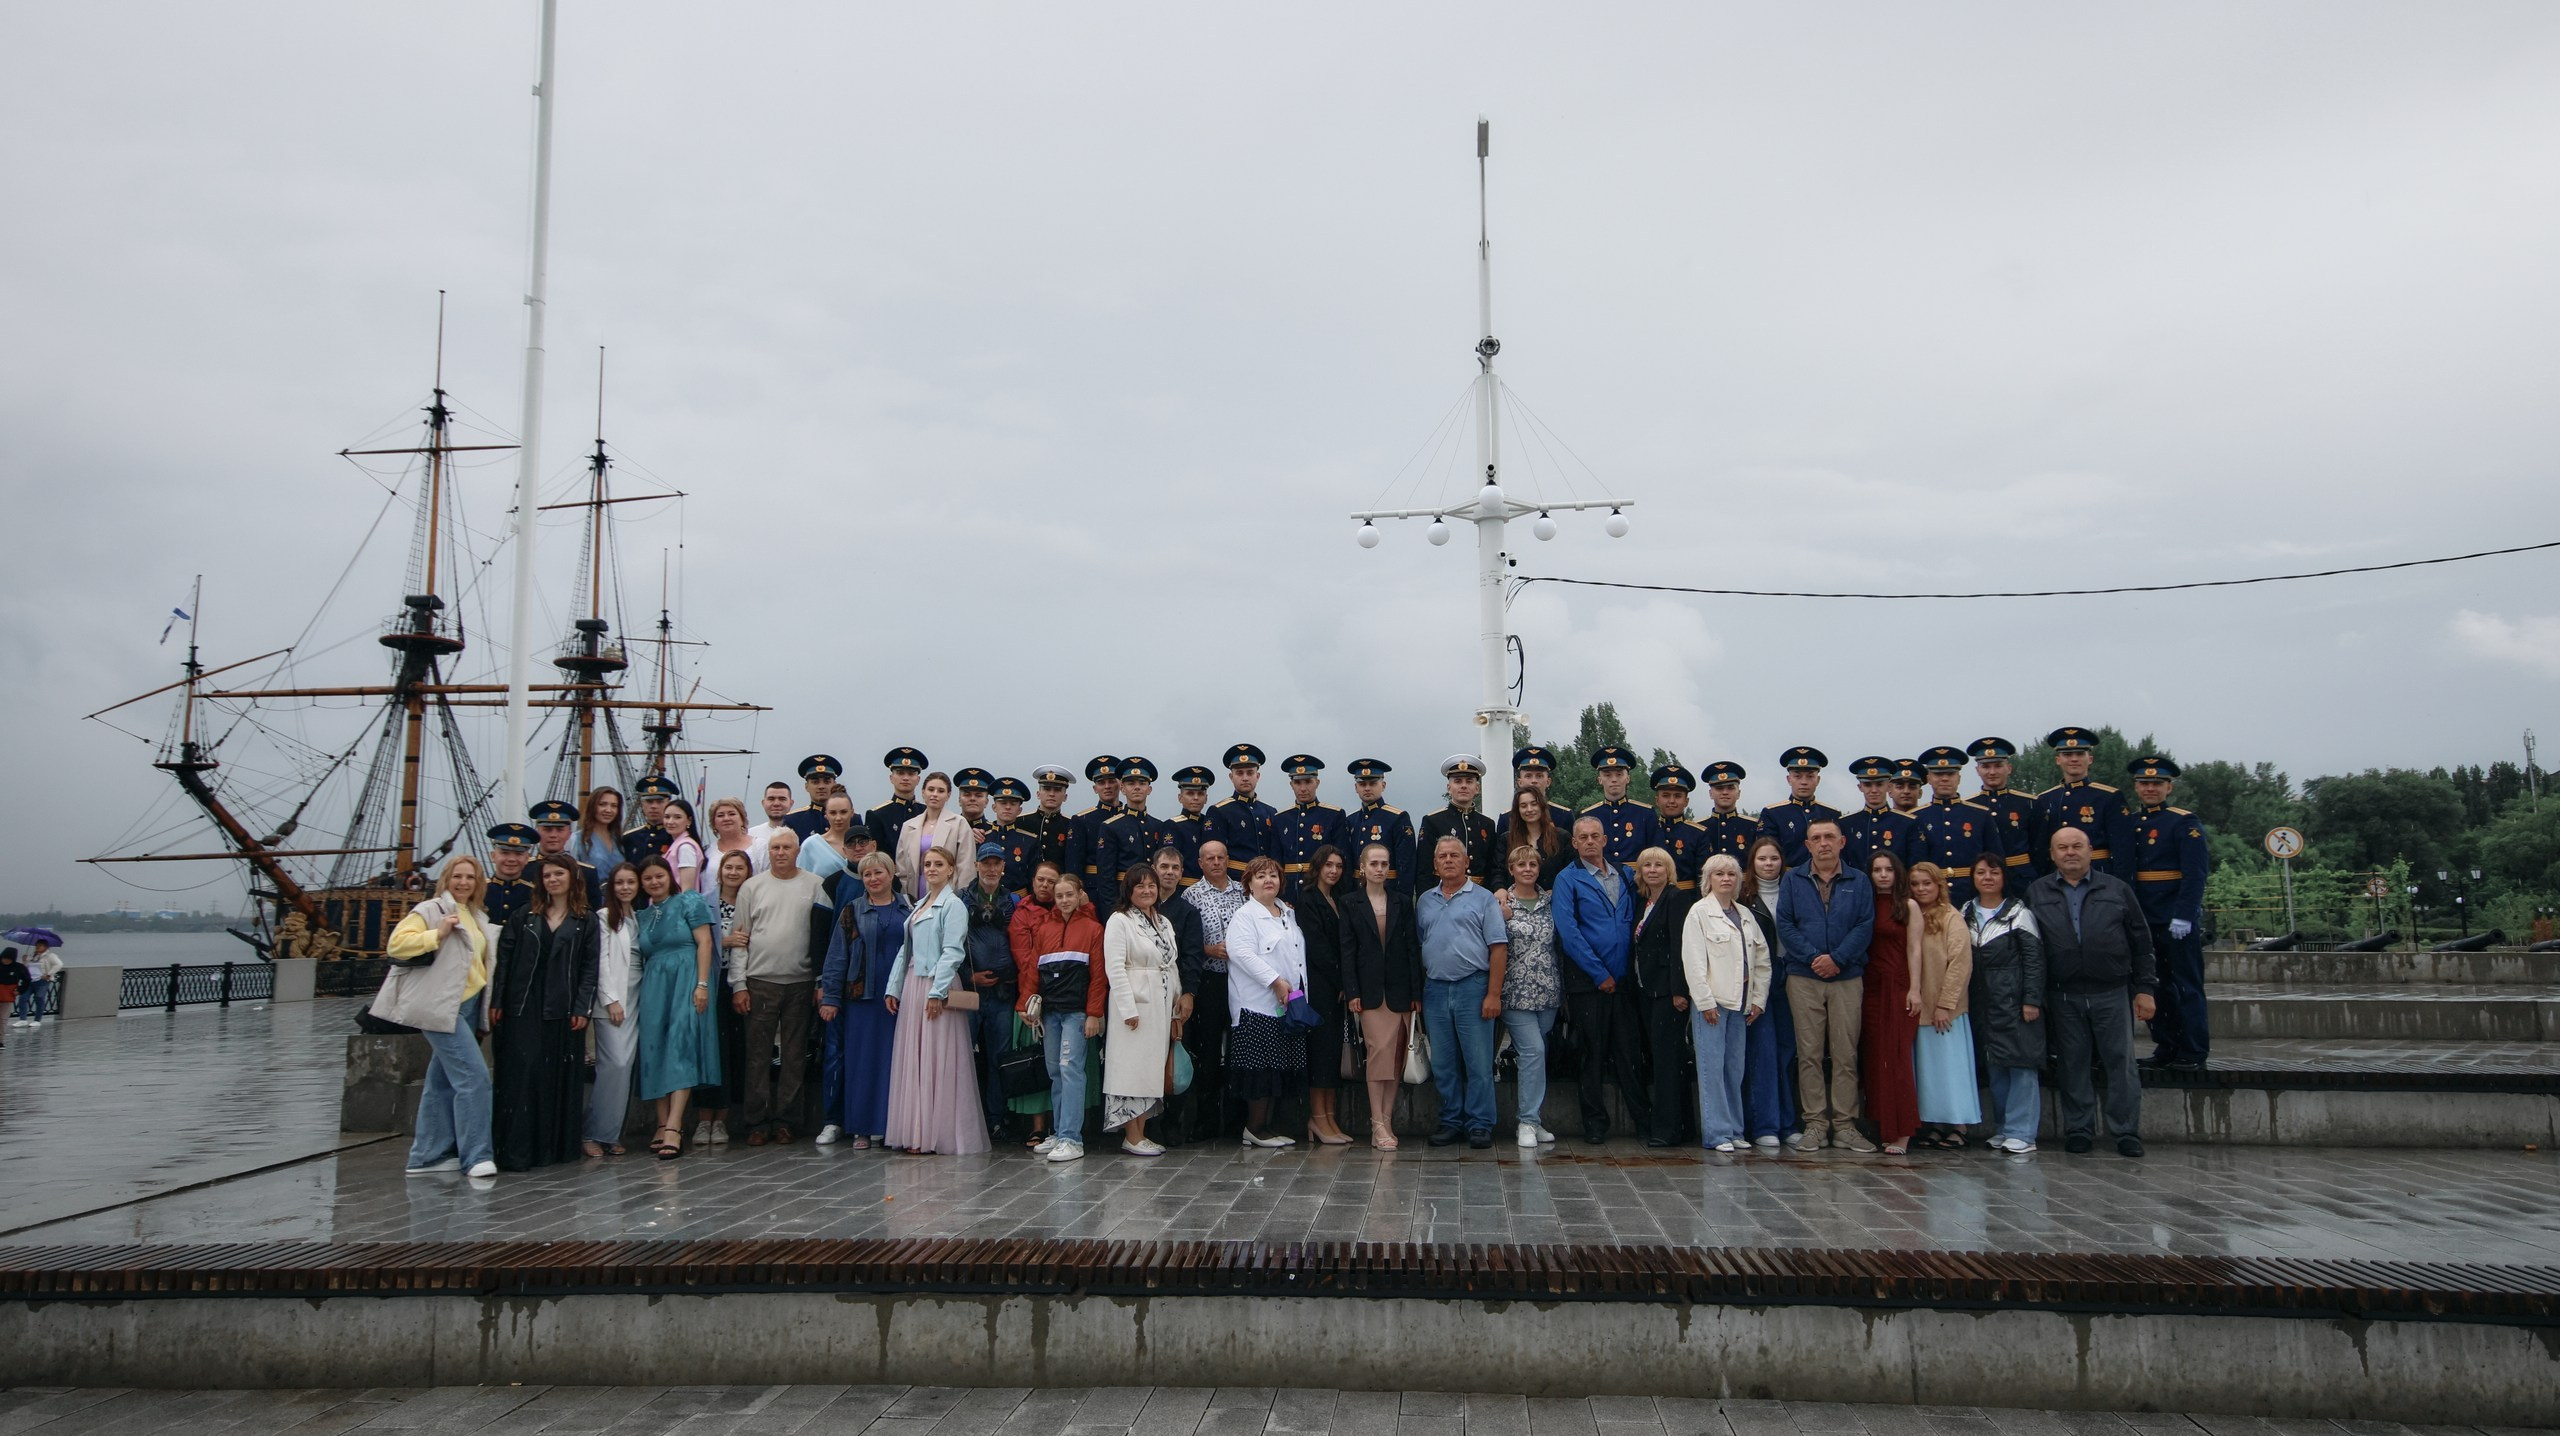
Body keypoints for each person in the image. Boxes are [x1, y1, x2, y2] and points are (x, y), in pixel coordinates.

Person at [2026, 828, 2158, 1157]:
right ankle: (2079, 1128)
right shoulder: (2036, 892)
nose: (2070, 852)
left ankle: (2126, 1131)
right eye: (2062, 847)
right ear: (2052, 854)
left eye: (2077, 846)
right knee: (2072, 1064)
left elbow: (2142, 943)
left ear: (2090, 851)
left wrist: (2144, 989)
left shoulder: (2117, 889)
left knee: (2121, 1064)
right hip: (2062, 994)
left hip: (2111, 992)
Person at [374, 855, 498, 1178]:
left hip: (469, 1005)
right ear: (446, 879)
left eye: (470, 877)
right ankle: (476, 1155)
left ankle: (427, 1156)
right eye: (457, 876)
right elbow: (396, 945)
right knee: (474, 1078)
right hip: (443, 1006)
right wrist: (437, 934)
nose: (463, 883)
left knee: (441, 1082)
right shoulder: (431, 911)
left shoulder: (476, 915)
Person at [486, 853, 599, 1171]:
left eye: (559, 874)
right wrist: (497, 1002)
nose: (552, 880)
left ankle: (553, 1147)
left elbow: (590, 968)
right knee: (524, 1073)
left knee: (556, 1075)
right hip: (524, 1003)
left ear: (572, 877)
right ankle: (518, 1149)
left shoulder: (585, 920)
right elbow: (505, 961)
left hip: (563, 1007)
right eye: (547, 875)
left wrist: (582, 1007)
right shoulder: (525, 915)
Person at [881, 845, 989, 1154]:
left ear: (951, 869)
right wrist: (894, 987)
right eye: (927, 863)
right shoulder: (919, 905)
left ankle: (935, 1133)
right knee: (914, 1059)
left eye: (938, 864)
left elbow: (953, 951)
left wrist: (937, 992)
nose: (931, 869)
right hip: (914, 982)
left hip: (934, 984)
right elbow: (907, 949)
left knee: (936, 1059)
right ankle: (916, 1131)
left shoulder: (952, 905)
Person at [1776, 818, 1875, 1153]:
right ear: (1807, 845)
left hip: (1846, 977)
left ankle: (1846, 1125)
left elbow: (1864, 925)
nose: (1823, 844)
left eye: (1829, 837)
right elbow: (1785, 925)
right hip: (1804, 977)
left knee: (1846, 1054)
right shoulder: (1793, 879)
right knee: (1809, 1054)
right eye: (1816, 838)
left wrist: (1838, 959)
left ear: (1842, 841)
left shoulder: (1858, 881)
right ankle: (1816, 1124)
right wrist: (1816, 957)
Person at [725, 827, 825, 1145]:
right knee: (757, 1055)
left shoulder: (815, 885)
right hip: (760, 981)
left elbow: (821, 937)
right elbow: (739, 940)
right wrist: (738, 984)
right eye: (775, 847)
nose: (780, 852)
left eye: (786, 847)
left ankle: (786, 1121)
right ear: (768, 852)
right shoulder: (751, 888)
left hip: (800, 981)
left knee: (795, 1055)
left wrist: (819, 981)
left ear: (797, 851)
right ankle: (756, 1121)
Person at [1551, 816, 1648, 1144]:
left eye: (1595, 836)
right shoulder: (1568, 879)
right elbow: (1569, 931)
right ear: (1574, 843)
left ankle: (1643, 1121)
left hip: (1623, 981)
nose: (1590, 841)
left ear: (1605, 840)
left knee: (1629, 1053)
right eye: (1583, 837)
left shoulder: (1626, 874)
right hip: (1588, 982)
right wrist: (1598, 973)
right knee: (1591, 1055)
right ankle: (1594, 1123)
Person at [1413, 835, 1509, 1148]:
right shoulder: (1425, 900)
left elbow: (1498, 948)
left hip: (1474, 986)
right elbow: (1421, 944)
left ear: (1467, 862)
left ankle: (1480, 1123)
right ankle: (1451, 1120)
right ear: (1435, 864)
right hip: (1437, 989)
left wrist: (1493, 994)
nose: (1449, 860)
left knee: (1478, 1062)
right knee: (1443, 1062)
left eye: (1455, 855)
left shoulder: (1483, 899)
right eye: (1442, 856)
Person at [1678, 852, 1771, 1152]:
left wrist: (1758, 999)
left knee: (1734, 1068)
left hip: (1740, 1004)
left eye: (1731, 874)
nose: (1726, 879)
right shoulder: (1699, 913)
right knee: (1711, 1069)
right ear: (1708, 880)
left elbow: (1761, 961)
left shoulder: (1745, 915)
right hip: (1713, 1004)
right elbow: (1693, 961)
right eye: (1719, 874)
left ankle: (1734, 1129)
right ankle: (1717, 1134)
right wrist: (1704, 1002)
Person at [2127, 755, 2213, 1072]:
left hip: (2174, 917)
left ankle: (2193, 1050)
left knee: (2186, 986)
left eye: (2156, 783)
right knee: (2154, 986)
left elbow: (2195, 875)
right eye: (2144, 783)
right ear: (2136, 787)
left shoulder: (2183, 822)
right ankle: (2166, 1046)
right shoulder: (2132, 824)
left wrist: (2185, 915)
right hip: (2143, 917)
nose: (2150, 788)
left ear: (2169, 787)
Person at [818, 851, 909, 1149]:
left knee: (893, 1063)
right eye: (867, 874)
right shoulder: (852, 910)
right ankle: (861, 1128)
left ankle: (889, 1125)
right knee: (861, 1063)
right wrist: (830, 997)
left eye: (878, 872)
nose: (872, 879)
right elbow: (836, 957)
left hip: (898, 998)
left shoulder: (908, 908)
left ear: (891, 874)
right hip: (862, 998)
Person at [633, 856, 719, 1158]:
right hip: (654, 984)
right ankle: (660, 1121)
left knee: (680, 1047)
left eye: (659, 876)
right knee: (654, 1048)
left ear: (669, 877)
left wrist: (703, 984)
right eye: (647, 879)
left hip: (687, 977)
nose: (654, 882)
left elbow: (705, 943)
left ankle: (675, 1124)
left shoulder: (688, 902)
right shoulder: (642, 916)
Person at [1341, 841, 1424, 1149]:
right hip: (1370, 994)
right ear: (1362, 868)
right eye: (1373, 863)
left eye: (1383, 864)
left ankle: (1388, 1119)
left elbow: (1412, 949)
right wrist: (1352, 991)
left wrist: (1417, 992)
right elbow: (1348, 951)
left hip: (1401, 992)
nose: (1379, 869)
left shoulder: (1402, 902)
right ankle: (1376, 1122)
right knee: (1379, 1056)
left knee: (1397, 1060)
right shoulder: (1351, 902)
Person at [1020, 871, 1107, 1160]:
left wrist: (1094, 1013)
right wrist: (1025, 1005)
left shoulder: (1093, 929)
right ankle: (1058, 1133)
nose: (1065, 900)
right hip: (1051, 1014)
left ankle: (1072, 1138)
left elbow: (1098, 977)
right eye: (1059, 896)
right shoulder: (1045, 929)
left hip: (1076, 1014)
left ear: (1080, 894)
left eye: (1070, 894)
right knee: (1056, 1072)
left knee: (1071, 1071)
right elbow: (1033, 969)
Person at [1963, 854, 2047, 1154]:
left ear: (2003, 877)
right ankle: (2003, 1128)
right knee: (1996, 1064)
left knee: (2021, 1064)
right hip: (1982, 1003)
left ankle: (2023, 1132)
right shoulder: (1965, 913)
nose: (1987, 878)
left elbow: (2035, 961)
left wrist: (2031, 999)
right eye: (1981, 872)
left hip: (2014, 1000)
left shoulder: (2019, 914)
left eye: (1994, 872)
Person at [1224, 856, 1309, 1147]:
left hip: (1287, 1005)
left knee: (1278, 1067)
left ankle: (1268, 1126)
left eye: (1273, 875)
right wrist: (1275, 981)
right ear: (1248, 883)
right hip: (1256, 1005)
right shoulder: (1245, 916)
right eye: (1260, 877)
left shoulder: (1286, 913)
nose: (1268, 881)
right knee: (1260, 1070)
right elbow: (1241, 954)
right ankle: (1254, 1127)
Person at [1102, 866, 1183, 1156]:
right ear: (1129, 890)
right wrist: (1127, 1009)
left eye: (1152, 885)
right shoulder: (1119, 920)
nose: (1147, 890)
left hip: (1160, 1003)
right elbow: (1114, 967)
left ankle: (1142, 1132)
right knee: (1130, 1068)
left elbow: (1171, 963)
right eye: (1140, 886)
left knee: (1150, 1067)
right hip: (1135, 1003)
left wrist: (1176, 1006)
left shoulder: (1163, 921)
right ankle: (1131, 1136)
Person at [1179, 839, 1251, 1141]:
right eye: (1210, 858)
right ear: (1200, 863)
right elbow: (1186, 941)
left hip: (1241, 982)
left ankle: (1237, 1123)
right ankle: (1206, 1123)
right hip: (1209, 981)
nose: (1217, 863)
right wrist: (1210, 949)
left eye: (1221, 857)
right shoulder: (1191, 895)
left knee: (1238, 1052)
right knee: (1209, 1053)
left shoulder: (1244, 893)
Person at [1907, 861, 1982, 1148]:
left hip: (1944, 1008)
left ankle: (1958, 1124)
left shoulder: (1951, 917)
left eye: (1927, 883)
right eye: (1915, 884)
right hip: (1919, 1006)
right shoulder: (1912, 915)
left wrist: (1945, 1004)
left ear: (1939, 885)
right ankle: (1936, 1124)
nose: (1921, 889)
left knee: (1951, 1069)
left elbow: (1960, 964)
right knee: (1930, 1071)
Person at [1627, 846, 1696, 1147]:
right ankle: (1678, 1125)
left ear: (1669, 871)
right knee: (1660, 1058)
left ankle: (1669, 1130)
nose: (1652, 870)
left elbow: (1682, 945)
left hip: (1669, 992)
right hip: (1647, 989)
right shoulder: (1644, 902)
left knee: (1669, 1061)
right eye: (1646, 865)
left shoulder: (1676, 898)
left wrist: (1680, 990)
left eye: (1659, 865)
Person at [1495, 844, 1561, 1147]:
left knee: (1536, 1054)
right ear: (1511, 870)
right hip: (1515, 991)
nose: (1527, 869)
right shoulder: (1501, 903)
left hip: (1547, 991)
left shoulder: (1550, 901)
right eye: (1521, 865)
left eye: (1532, 865)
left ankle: (1535, 1119)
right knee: (1533, 1051)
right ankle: (1527, 1122)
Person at [1736, 837, 1799, 1150]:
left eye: (1774, 858)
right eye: (1762, 859)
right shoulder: (1744, 896)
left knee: (1789, 1051)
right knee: (1762, 1052)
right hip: (1759, 978)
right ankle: (1764, 1124)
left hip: (1794, 974)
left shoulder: (1795, 889)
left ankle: (1789, 1123)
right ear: (1752, 863)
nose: (1769, 864)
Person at [956, 840, 1022, 1140]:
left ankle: (996, 1118)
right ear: (976, 865)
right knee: (961, 1057)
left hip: (1002, 993)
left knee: (1000, 1058)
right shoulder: (961, 900)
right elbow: (953, 946)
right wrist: (969, 977)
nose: (991, 868)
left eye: (997, 863)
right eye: (986, 863)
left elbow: (1021, 945)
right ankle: (962, 1118)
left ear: (1004, 867)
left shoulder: (1014, 902)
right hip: (970, 992)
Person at [1859, 851, 1922, 1155]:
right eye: (1876, 870)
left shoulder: (1908, 906)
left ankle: (1903, 1132)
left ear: (1898, 873)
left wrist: (1915, 989)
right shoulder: (1865, 905)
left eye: (1888, 870)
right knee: (1875, 1059)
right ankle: (1883, 1126)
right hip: (1869, 987)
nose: (1883, 875)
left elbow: (1915, 950)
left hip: (1898, 987)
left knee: (1898, 1059)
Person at [690, 850, 754, 1146]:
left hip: (742, 983)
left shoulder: (753, 899)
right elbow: (694, 939)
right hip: (712, 983)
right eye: (728, 867)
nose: (733, 872)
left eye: (739, 868)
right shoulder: (705, 902)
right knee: (710, 1050)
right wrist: (724, 941)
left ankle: (723, 1120)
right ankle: (704, 1120)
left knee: (733, 1052)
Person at [1293, 844, 1354, 1144]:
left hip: (1337, 987)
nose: (1333, 871)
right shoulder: (1308, 899)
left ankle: (1330, 1116)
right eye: (1328, 865)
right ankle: (1317, 1118)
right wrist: (1340, 980)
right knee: (1320, 1051)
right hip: (1319, 985)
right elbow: (1316, 946)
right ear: (1317, 867)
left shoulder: (1339, 899)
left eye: (1338, 866)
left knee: (1332, 1053)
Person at [1004, 862, 1066, 1147]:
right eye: (1040, 879)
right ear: (1033, 881)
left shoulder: (1068, 909)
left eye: (1051, 881)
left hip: (1065, 994)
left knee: (1062, 1062)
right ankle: (1037, 1126)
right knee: (1035, 1061)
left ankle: (1064, 1123)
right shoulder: (1022, 913)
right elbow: (1024, 955)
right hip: (1032, 994)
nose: (1045, 885)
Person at [583, 862, 639, 1157]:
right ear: (611, 887)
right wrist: (610, 998)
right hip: (613, 1005)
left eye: (631, 882)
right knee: (613, 1065)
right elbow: (601, 960)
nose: (626, 888)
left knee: (625, 1069)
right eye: (620, 883)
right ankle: (592, 1132)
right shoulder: (604, 918)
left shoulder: (638, 918)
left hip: (638, 1001)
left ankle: (613, 1134)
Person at [2032, 727, 2135, 879]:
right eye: (2067, 755)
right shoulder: (2045, 799)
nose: (2074, 759)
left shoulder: (2109, 797)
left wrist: (2120, 887)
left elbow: (2123, 850)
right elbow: (2041, 849)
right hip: (2057, 878)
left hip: (2099, 875)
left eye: (2080, 754)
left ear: (2090, 759)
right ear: (2058, 760)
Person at [1913, 746, 2002, 906]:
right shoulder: (1916, 817)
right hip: (1931, 897)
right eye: (1938, 774)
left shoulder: (1980, 815)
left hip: (1972, 894)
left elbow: (1994, 859)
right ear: (1929, 778)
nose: (1944, 779)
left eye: (1950, 774)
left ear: (1959, 778)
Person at [1968, 737, 2039, 895]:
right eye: (1985, 766)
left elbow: (2038, 847)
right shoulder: (1969, 806)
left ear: (2009, 768)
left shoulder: (2028, 803)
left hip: (2022, 878)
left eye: (1998, 766)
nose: (1992, 772)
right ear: (1977, 770)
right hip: (1984, 882)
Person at [1419, 754, 1502, 888]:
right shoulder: (1433, 821)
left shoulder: (1487, 824)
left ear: (1477, 788)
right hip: (1442, 894)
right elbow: (1424, 869)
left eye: (1469, 781)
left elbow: (1492, 867)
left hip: (1479, 895)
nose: (1463, 786)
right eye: (1458, 781)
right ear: (1449, 787)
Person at [1271, 755, 1346, 897]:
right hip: (1289, 893)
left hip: (1321, 891)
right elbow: (1276, 862)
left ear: (1317, 783)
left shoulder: (1333, 816)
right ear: (1291, 784)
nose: (1303, 788)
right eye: (1298, 782)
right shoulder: (1280, 819)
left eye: (1308, 782)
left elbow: (1342, 859)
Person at [895, 772, 976, 902]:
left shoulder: (959, 823)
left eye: (941, 791)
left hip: (948, 895)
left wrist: (958, 898)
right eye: (931, 789)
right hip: (914, 894)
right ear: (923, 792)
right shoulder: (909, 826)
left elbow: (966, 868)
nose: (935, 794)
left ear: (948, 795)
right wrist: (907, 895)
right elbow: (901, 867)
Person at [1101, 758, 1173, 902]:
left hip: (1152, 897)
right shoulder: (1111, 826)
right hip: (1124, 896)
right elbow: (1105, 877)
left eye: (1142, 783)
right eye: (1131, 783)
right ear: (1122, 789)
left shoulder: (1158, 825)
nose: (1137, 787)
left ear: (1149, 789)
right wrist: (1111, 910)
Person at [1340, 759, 1417, 893]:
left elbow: (1406, 865)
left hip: (1388, 891)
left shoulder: (1397, 818)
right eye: (1362, 784)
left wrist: (1402, 900)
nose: (1367, 788)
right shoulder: (1351, 820)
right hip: (1356, 893)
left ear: (1383, 785)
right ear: (1356, 788)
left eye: (1373, 783)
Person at [1757, 747, 1842, 867]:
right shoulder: (1773, 814)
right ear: (1789, 779)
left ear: (1818, 780)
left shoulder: (1831, 814)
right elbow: (1767, 853)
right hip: (1787, 880)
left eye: (1810, 776)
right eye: (1797, 776)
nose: (1804, 782)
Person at [1581, 746, 1662, 866]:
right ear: (1599, 780)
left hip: (1636, 880)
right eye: (1607, 775)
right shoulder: (1588, 816)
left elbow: (1657, 853)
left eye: (1619, 774)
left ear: (1628, 778)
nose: (1614, 779)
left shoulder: (1645, 813)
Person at [1838, 756, 1919, 872]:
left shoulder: (1907, 823)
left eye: (1879, 784)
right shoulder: (1846, 823)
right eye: (1868, 785)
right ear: (1860, 787)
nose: (1874, 790)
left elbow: (1914, 865)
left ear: (1889, 786)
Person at [1064, 756, 1125, 905]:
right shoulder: (1082, 820)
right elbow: (1074, 864)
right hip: (1093, 890)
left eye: (1111, 781)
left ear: (1120, 783)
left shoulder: (1128, 818)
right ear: (1094, 788)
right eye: (1101, 782)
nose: (1107, 786)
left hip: (1126, 887)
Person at [1209, 743, 1277, 873]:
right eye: (1239, 773)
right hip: (1235, 880)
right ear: (1231, 777)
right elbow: (1213, 856)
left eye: (1250, 773)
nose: (1245, 778)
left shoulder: (1270, 812)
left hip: (1265, 880)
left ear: (1257, 776)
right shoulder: (1219, 811)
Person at [1649, 764, 1711, 890]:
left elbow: (1703, 876)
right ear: (1657, 800)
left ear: (1686, 801)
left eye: (1677, 796)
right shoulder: (1649, 829)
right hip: (1653, 897)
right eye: (1666, 795)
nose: (1671, 801)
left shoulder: (1698, 833)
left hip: (1687, 899)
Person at [531, 798, 600, 907]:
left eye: (560, 830)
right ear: (537, 832)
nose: (553, 835)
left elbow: (593, 914)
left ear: (569, 834)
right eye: (547, 830)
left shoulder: (586, 873)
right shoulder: (524, 869)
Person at [1694, 762, 1759, 865]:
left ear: (1738, 793)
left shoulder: (1753, 826)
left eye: (1730, 788)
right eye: (1719, 788)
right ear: (1710, 794)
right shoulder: (1698, 828)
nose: (1725, 792)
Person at [1505, 788, 1572, 886]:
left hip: (1557, 897)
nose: (1529, 809)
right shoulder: (1507, 839)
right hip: (1517, 898)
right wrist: (1499, 888)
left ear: (1542, 806)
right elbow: (1499, 871)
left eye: (1534, 804)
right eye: (1523, 806)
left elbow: (1571, 871)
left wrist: (1558, 891)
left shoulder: (1562, 837)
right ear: (1517, 810)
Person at [863, 748, 926, 850]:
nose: (905, 778)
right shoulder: (877, 815)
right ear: (891, 778)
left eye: (911, 774)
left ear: (918, 780)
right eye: (900, 773)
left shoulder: (926, 812)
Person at [799, 793, 865, 891]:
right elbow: (801, 881)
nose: (838, 818)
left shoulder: (864, 844)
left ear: (852, 813)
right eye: (833, 813)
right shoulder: (811, 845)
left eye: (843, 812)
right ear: (826, 814)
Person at [1018, 764, 1076, 873]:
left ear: (1065, 797)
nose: (1051, 794)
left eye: (1057, 790)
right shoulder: (1021, 822)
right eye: (1047, 789)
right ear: (1038, 794)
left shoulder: (1071, 825)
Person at [1164, 766, 1218, 882]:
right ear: (1180, 798)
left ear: (1206, 798)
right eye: (1190, 793)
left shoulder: (1210, 823)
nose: (1195, 798)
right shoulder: (1172, 826)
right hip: (1184, 887)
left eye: (1200, 794)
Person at [482, 822, 539, 928]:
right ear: (493, 856)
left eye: (519, 854)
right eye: (505, 853)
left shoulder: (535, 894)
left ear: (527, 858)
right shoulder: (479, 890)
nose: (512, 859)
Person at [703, 795, 766, 891]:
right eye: (720, 815)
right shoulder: (707, 852)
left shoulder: (760, 847)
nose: (726, 818)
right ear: (713, 823)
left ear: (742, 819)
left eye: (732, 814)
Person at [788, 754, 847, 841]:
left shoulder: (851, 818)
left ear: (834, 784)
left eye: (827, 781)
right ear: (806, 787)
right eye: (815, 782)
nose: (821, 786)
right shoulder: (793, 820)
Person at [1502, 745, 1558, 836]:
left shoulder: (1563, 816)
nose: (1534, 781)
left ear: (1548, 782)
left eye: (1539, 776)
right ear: (1519, 782)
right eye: (1528, 776)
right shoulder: (1506, 818)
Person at [622, 775, 678, 865]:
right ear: (642, 804)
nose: (654, 806)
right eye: (649, 801)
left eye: (659, 801)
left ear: (669, 804)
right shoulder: (629, 838)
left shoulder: (675, 837)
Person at [573, 787, 627, 877]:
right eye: (602, 804)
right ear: (592, 806)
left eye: (614, 806)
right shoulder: (577, 840)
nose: (608, 810)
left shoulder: (620, 840)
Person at [659, 797, 705, 896]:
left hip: (679, 908)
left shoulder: (686, 848)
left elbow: (687, 890)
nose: (670, 822)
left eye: (677, 817)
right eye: (667, 817)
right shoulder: (676, 845)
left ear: (689, 820)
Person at [953, 767, 997, 842]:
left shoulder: (995, 833)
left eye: (978, 795)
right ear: (959, 800)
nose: (972, 799)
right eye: (967, 795)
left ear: (986, 802)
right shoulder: (950, 828)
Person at [746, 782, 795, 848]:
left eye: (782, 799)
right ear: (763, 803)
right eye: (771, 799)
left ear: (791, 803)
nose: (776, 804)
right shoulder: (751, 835)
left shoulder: (800, 832)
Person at [0, 948, 23, 1041]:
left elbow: (27, 980)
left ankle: (1, 1040)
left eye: (8, 959)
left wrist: (19, 990)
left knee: (2, 1020)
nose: (6, 961)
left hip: (7, 997)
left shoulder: (18, 967)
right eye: (4, 958)